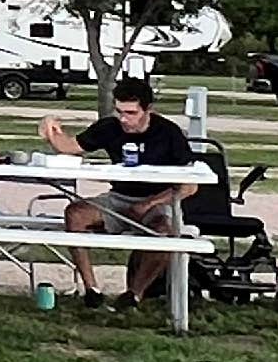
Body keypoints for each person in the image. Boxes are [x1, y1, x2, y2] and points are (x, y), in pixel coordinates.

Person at [53, 73, 198, 307]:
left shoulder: (169, 133)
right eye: (120, 111)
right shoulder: (109, 127)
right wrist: (52, 130)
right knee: (75, 214)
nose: (124, 119)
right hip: (118, 197)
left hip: (157, 201)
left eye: (131, 113)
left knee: (166, 232)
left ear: (147, 109)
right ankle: (91, 289)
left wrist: (150, 204)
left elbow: (189, 186)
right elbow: (69, 147)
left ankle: (134, 293)